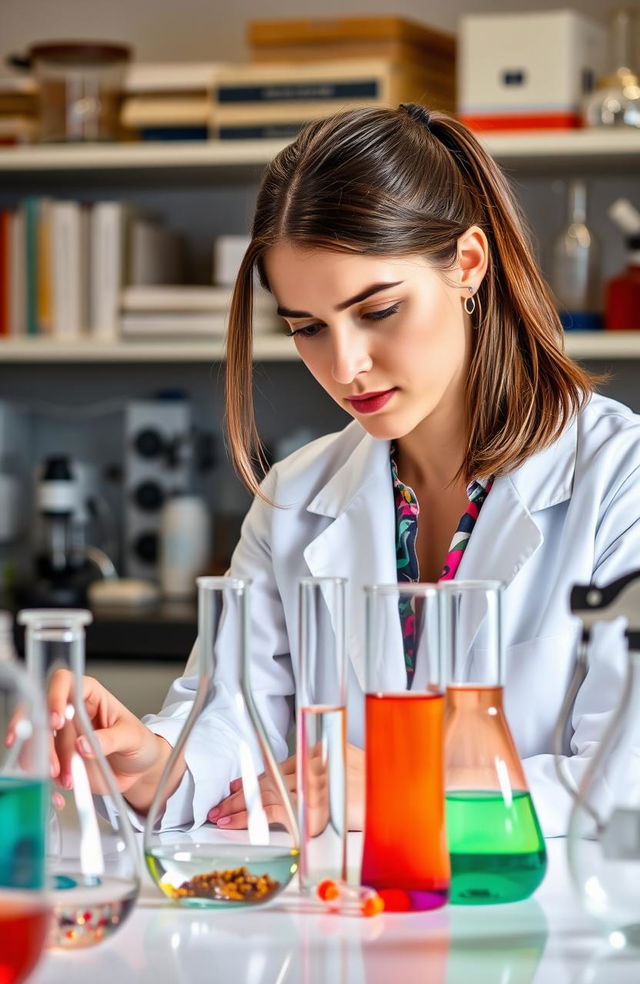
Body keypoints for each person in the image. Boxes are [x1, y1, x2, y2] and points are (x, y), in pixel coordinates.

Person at [44, 104, 640, 838]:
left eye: (379, 310)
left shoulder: (621, 480)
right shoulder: (296, 496)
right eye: (307, 328)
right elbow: (236, 715)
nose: (345, 366)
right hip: (343, 927)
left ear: (468, 264)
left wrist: (401, 789)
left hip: (541, 932)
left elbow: (624, 783)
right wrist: (158, 761)